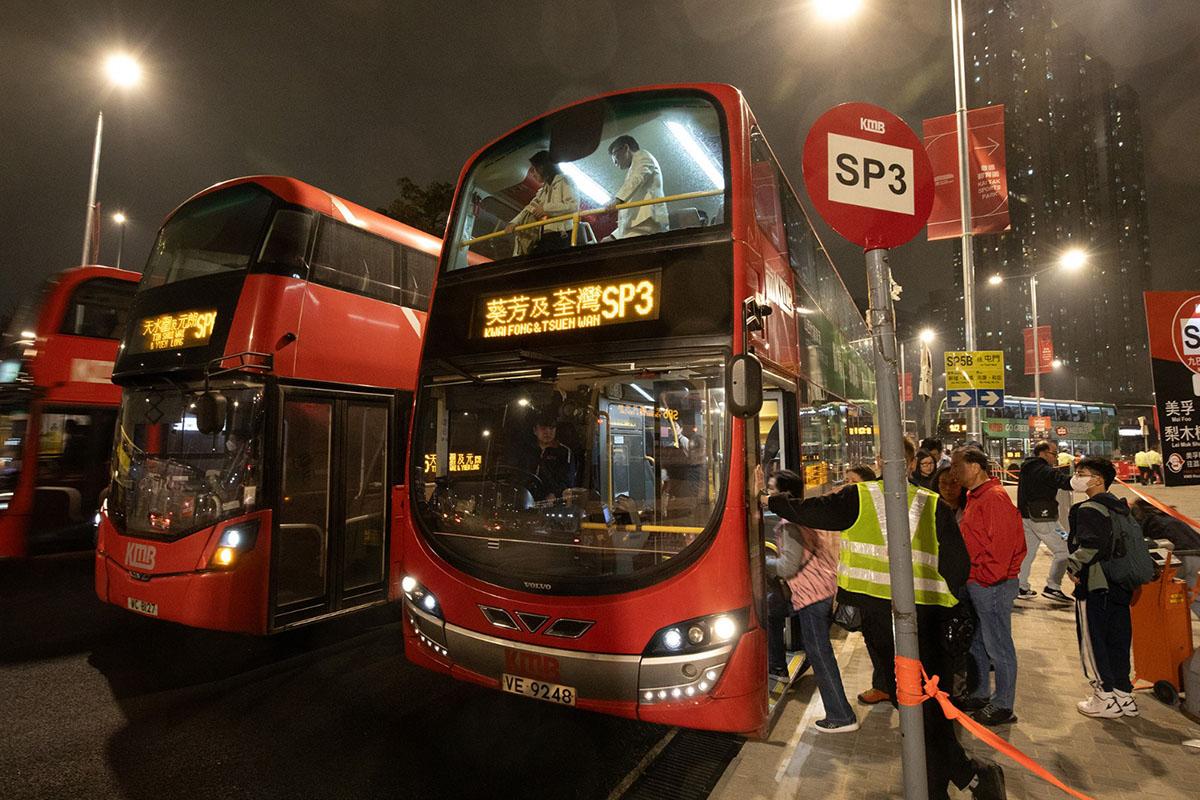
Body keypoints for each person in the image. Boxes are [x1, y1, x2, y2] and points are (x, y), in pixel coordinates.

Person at [770, 438, 1005, 799]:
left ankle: (962, 779)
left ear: (882, 461)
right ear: (910, 463)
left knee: (917, 709)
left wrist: (769, 499)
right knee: (924, 710)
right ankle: (968, 777)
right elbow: (957, 567)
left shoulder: (859, 498)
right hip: (928, 623)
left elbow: (808, 511)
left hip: (886, 624)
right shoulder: (932, 505)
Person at [765, 470, 858, 732]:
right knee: (773, 611)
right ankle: (778, 668)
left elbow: (787, 567)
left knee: (820, 653)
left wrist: (762, 560)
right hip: (821, 590)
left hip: (812, 594)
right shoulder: (806, 515)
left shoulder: (789, 525)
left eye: (771, 490)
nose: (767, 495)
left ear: (783, 495)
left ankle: (841, 715)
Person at [953, 447, 1025, 727]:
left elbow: (1002, 546)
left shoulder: (993, 498)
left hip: (992, 584)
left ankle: (1003, 704)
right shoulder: (977, 496)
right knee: (980, 641)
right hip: (981, 582)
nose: (954, 473)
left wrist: (984, 578)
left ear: (975, 467)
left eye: (958, 466)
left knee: (999, 645)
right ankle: (981, 693)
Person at [1067, 457, 1138, 718]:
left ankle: (1104, 697)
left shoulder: (1088, 509)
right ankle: (1123, 695)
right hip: (1120, 584)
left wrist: (1073, 566)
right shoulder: (1119, 506)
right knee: (1118, 641)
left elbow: (1091, 546)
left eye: (1081, 473)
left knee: (1093, 641)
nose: (1076, 477)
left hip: (1096, 585)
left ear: (1098, 479)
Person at [1016, 441, 1075, 603]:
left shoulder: (1027, 468)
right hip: (1044, 518)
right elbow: (1065, 482)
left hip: (1027, 517)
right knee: (1065, 549)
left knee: (1028, 553)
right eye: (1053, 454)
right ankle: (1053, 586)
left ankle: (1021, 586)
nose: (1055, 458)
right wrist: (1086, 480)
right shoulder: (1043, 470)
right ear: (1042, 453)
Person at [504, 151, 579, 256]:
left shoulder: (565, 180)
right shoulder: (543, 190)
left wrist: (546, 209)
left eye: (534, 169)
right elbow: (529, 208)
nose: (533, 174)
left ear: (542, 168)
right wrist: (514, 223)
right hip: (546, 235)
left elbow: (573, 205)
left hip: (561, 235)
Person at [604, 136, 668, 239]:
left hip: (646, 224)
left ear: (626, 148)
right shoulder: (633, 169)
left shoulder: (643, 156)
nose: (614, 162)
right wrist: (613, 236)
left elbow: (636, 179)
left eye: (614, 155)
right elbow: (631, 213)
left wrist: (617, 200)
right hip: (637, 227)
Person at [520, 414, 576, 502]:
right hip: (526, 497)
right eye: (543, 428)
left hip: (552, 501)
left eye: (551, 428)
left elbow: (567, 480)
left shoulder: (564, 452)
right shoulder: (527, 450)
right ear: (535, 431)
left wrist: (555, 494)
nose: (548, 432)